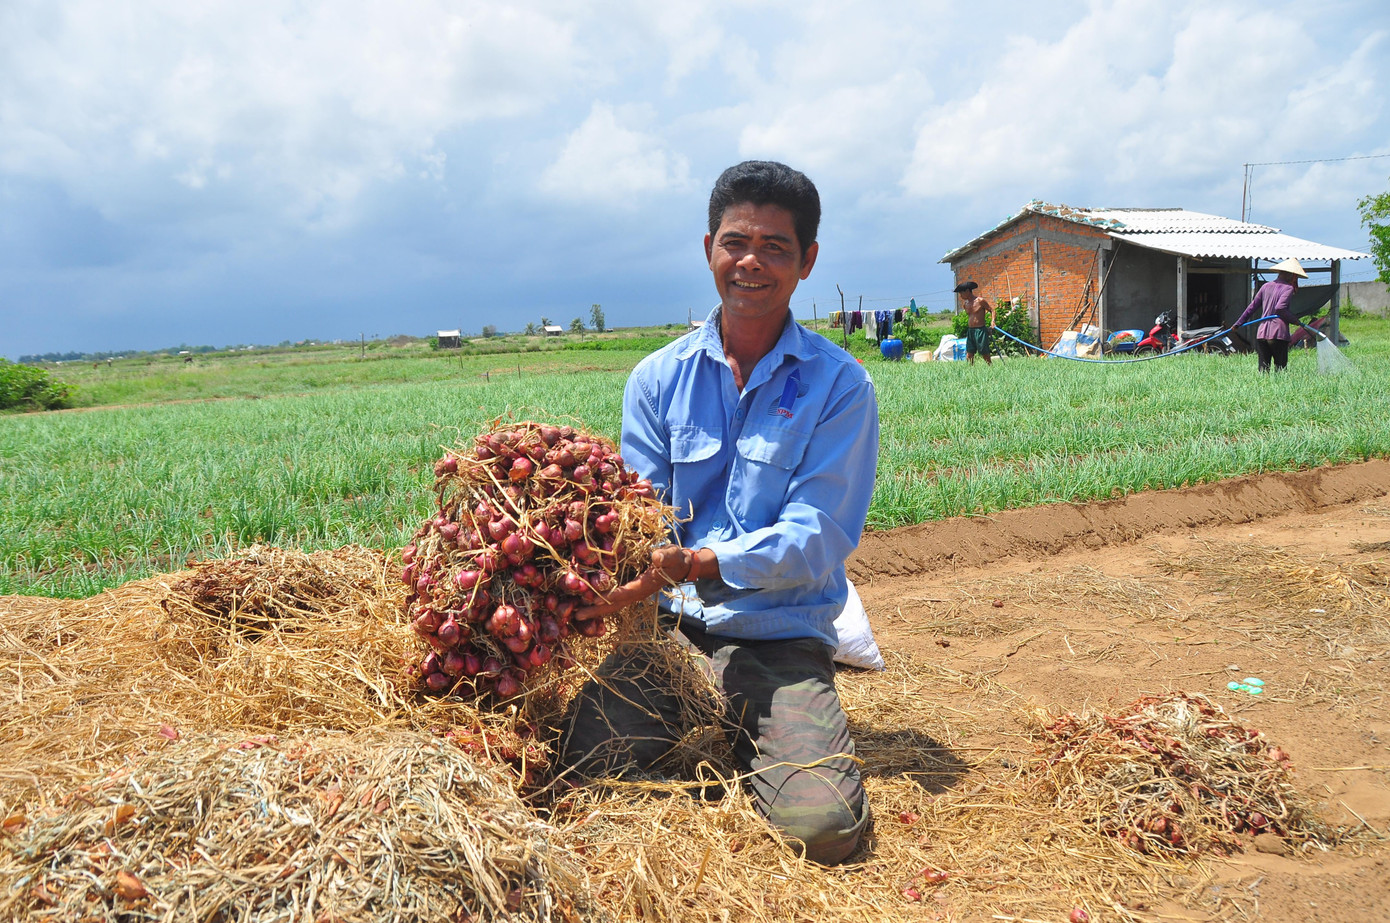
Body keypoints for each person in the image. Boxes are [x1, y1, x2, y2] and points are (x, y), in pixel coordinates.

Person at [558, 160, 879, 865]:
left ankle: (765, 723)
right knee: (577, 771)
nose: (751, 262)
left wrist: (705, 561)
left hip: (777, 635)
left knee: (821, 828)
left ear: (807, 262)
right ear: (709, 249)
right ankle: (717, 715)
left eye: (775, 247)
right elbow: (640, 516)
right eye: (736, 242)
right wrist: (620, 580)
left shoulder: (840, 386)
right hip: (671, 632)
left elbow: (817, 535)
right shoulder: (657, 378)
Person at [1233, 258, 1305, 372]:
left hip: (1262, 334)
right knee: (1280, 370)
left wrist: (1238, 324)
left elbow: (1251, 307)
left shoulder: (1265, 286)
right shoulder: (1288, 288)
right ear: (1291, 275)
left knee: (1263, 369)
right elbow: (1280, 308)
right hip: (1278, 334)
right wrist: (1295, 320)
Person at [955, 281, 995, 365]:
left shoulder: (980, 301)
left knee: (984, 352)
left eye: (961, 293)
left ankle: (990, 367)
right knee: (969, 353)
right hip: (971, 331)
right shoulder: (965, 304)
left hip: (980, 330)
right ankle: (970, 370)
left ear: (967, 291)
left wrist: (992, 321)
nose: (960, 296)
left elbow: (992, 310)